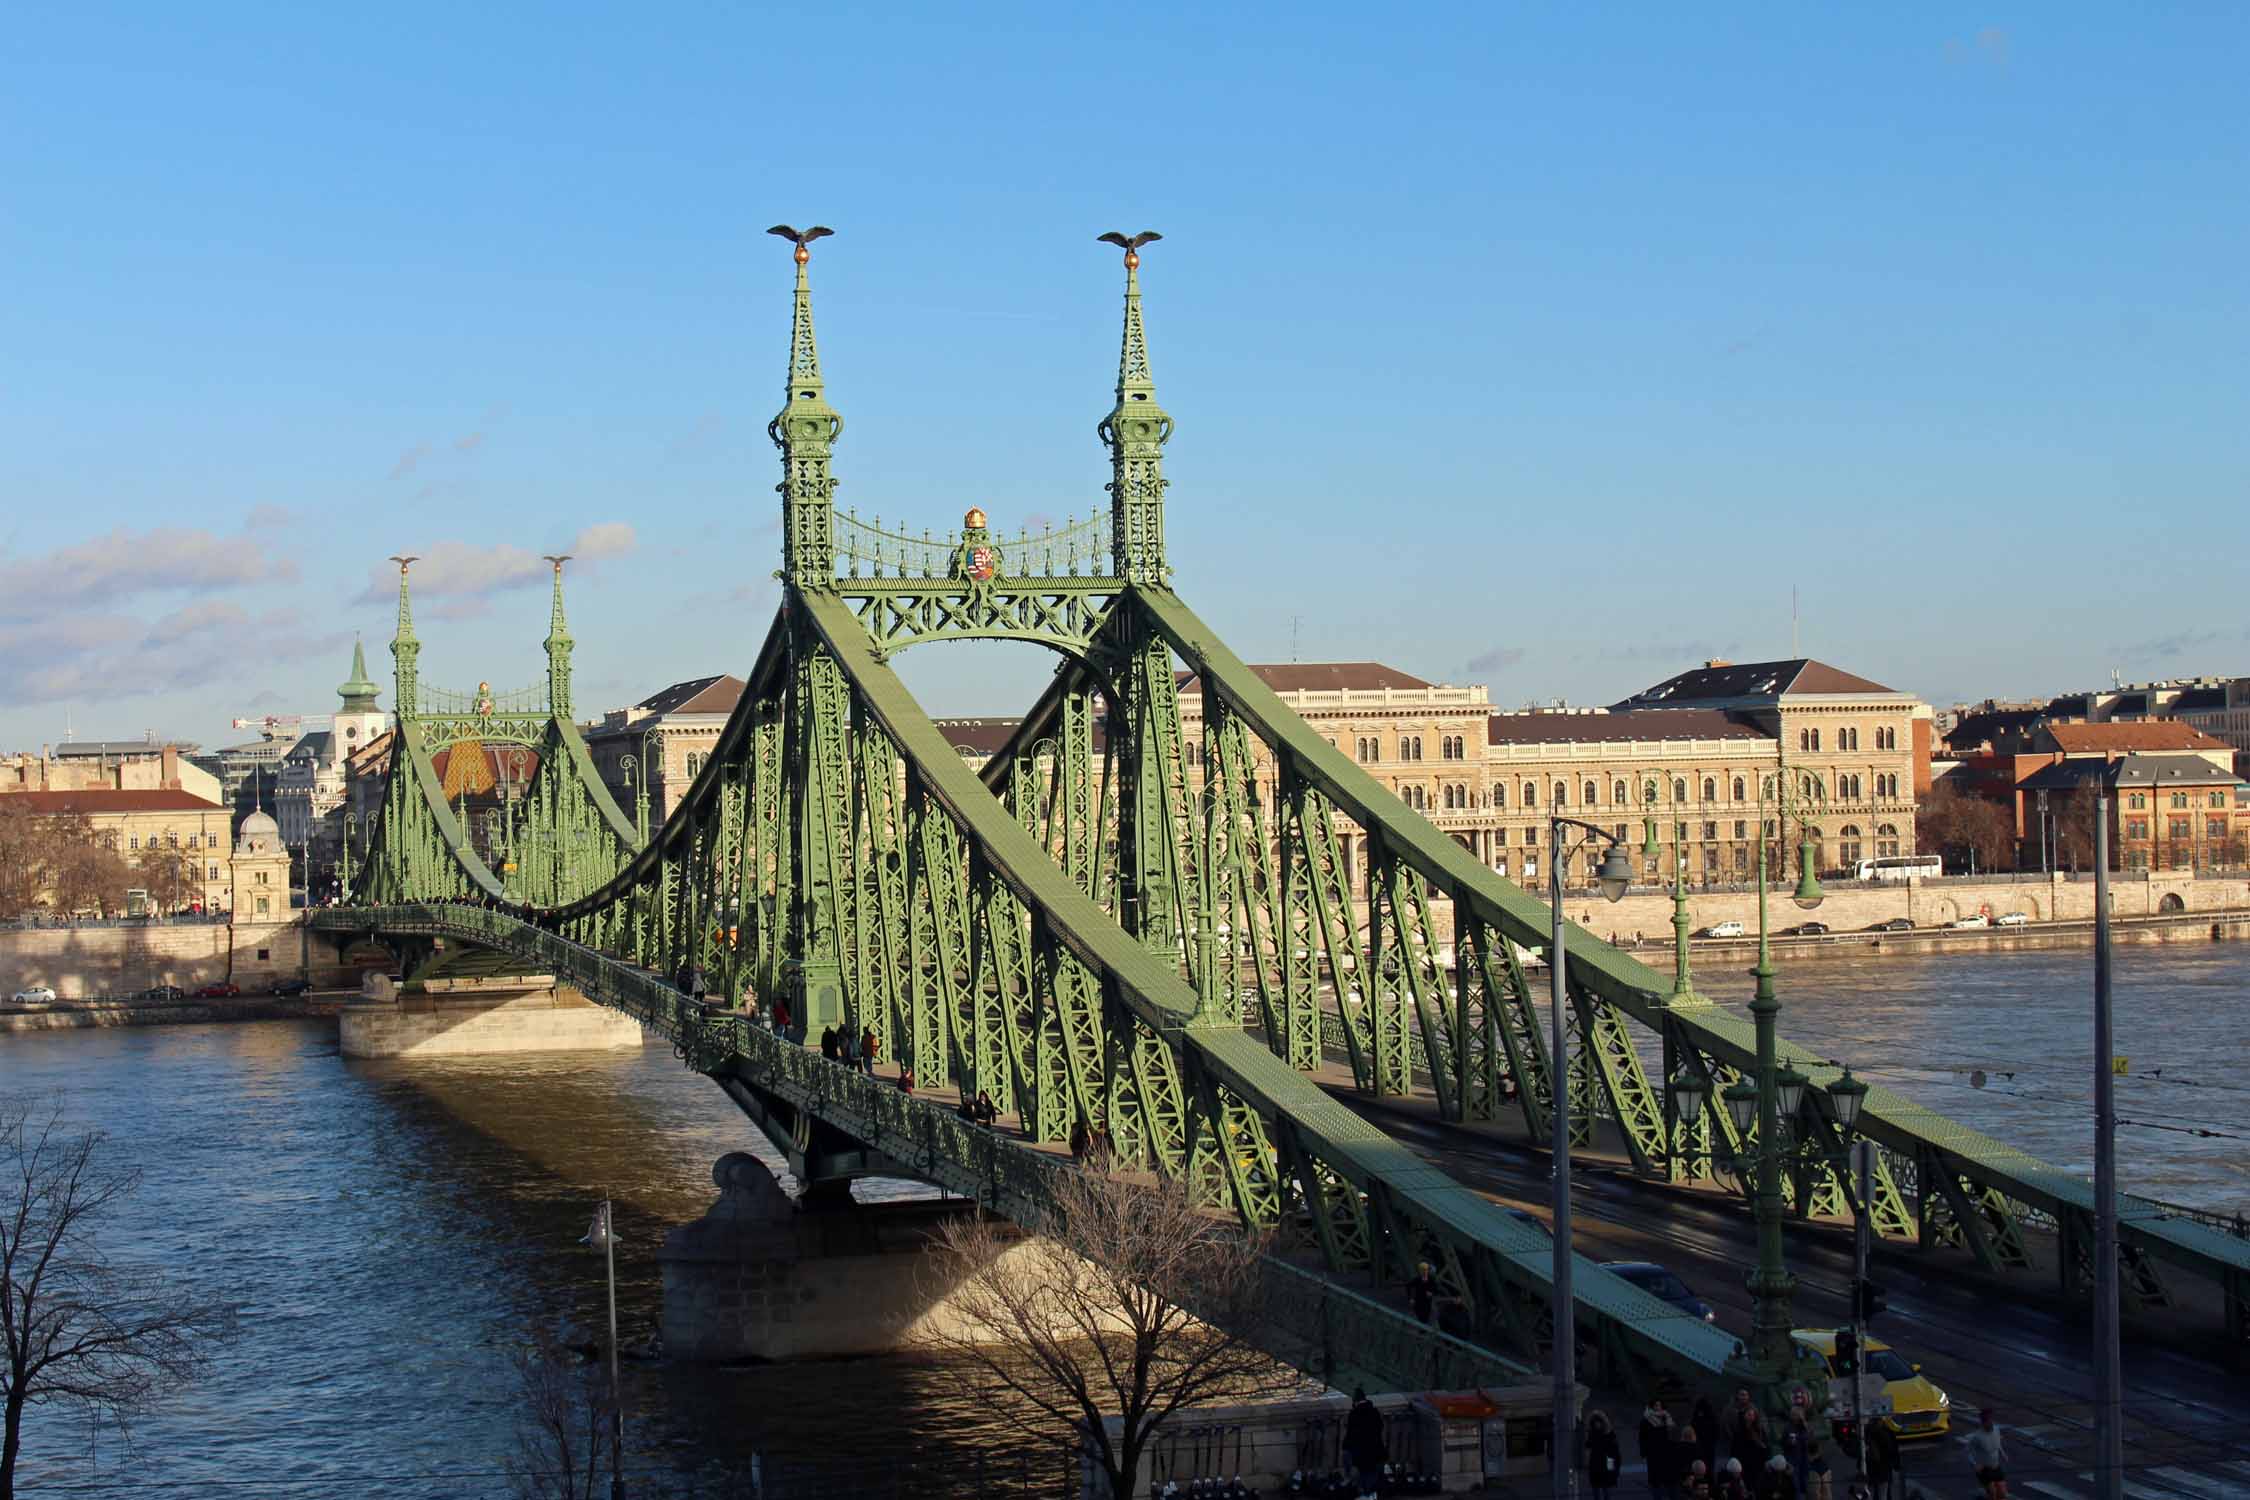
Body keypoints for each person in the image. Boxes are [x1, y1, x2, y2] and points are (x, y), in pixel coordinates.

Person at [1344, 1387, 1386, 1500]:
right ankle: (1371, 1494)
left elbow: (1351, 1435)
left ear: (1355, 1401)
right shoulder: (1375, 1411)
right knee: (1372, 1476)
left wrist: (1346, 1448)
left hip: (1361, 1452)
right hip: (1376, 1450)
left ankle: (1365, 1495)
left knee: (1362, 1476)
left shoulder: (1354, 1414)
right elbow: (1380, 1428)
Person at [1638, 1394, 1676, 1499]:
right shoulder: (1646, 1420)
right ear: (1651, 1406)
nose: (1658, 1407)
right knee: (1655, 1480)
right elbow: (1642, 1438)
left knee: (1666, 1478)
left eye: (1659, 1405)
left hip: (1665, 1452)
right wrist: (1643, 1453)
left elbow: (1672, 1433)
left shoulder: (1666, 1417)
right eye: (1655, 1405)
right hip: (1652, 1452)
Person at [1965, 1410, 2007, 1500]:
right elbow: (1968, 1450)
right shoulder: (1977, 1436)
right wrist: (1974, 1464)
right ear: (1983, 1423)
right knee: (1992, 1493)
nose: (1990, 1423)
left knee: (2002, 1493)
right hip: (1984, 1470)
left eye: (1991, 1421)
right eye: (1987, 1421)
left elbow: (1997, 1444)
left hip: (1996, 1467)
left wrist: (2003, 1453)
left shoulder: (1996, 1430)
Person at [1586, 1410, 1624, 1500]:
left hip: (1605, 1462)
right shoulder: (1592, 1434)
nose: (1597, 1424)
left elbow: (1614, 1451)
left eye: (1598, 1422)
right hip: (1595, 1464)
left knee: (1605, 1489)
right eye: (1595, 1423)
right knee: (1598, 1490)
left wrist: (1612, 1468)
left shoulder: (1609, 1434)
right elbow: (1588, 1445)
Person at [1781, 1396, 1813, 1496]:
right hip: (1792, 1459)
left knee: (1805, 1483)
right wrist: (1788, 1442)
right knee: (1795, 1485)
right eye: (1793, 1415)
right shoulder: (1788, 1427)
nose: (1795, 1417)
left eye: (1797, 1415)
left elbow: (1811, 1441)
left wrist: (1806, 1431)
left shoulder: (1805, 1427)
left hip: (1804, 1459)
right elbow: (1783, 1442)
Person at [1690, 1398, 1721, 1478]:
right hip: (1707, 1444)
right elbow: (1716, 1430)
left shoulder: (1697, 1415)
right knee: (1709, 1465)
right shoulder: (1712, 1416)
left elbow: (1693, 1427)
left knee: (1703, 1464)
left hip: (1702, 1444)